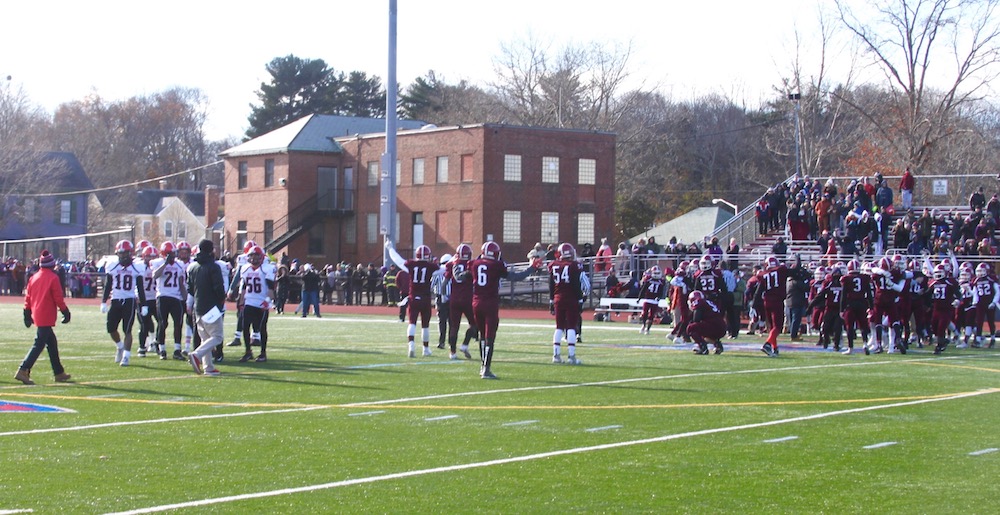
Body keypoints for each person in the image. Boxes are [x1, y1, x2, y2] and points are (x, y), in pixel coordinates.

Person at [466, 241, 540, 379]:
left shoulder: (474, 264)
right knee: (489, 337)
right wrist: (531, 268)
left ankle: (483, 366)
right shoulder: (496, 265)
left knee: (482, 336)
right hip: (490, 303)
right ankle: (486, 369)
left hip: (476, 303)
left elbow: (465, 275)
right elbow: (515, 277)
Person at [14, 250, 72, 385]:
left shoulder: (34, 277)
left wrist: (27, 314)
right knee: (39, 343)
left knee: (51, 343)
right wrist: (65, 311)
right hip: (46, 314)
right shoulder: (53, 277)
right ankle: (23, 369)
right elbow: (58, 297)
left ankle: (58, 372)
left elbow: (27, 298)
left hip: (37, 313)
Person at [101, 240, 148, 367]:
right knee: (111, 328)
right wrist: (104, 301)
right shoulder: (113, 265)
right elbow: (108, 284)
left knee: (127, 329)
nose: (122, 256)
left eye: (125, 253)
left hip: (129, 300)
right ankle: (120, 346)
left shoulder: (136, 267)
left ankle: (126, 356)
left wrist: (144, 304)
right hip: (116, 300)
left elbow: (140, 287)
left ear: (130, 253)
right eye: (120, 253)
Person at [387, 242, 437, 358]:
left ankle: (411, 346)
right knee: (425, 325)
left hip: (413, 297)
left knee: (412, 323)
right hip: (425, 298)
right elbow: (444, 269)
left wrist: (390, 248)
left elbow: (398, 260)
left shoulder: (411, 264)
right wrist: (456, 259)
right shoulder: (430, 267)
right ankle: (425, 349)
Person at [185, 239, 225, 376]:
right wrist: (221, 301)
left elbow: (190, 288)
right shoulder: (213, 267)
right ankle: (197, 355)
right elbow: (218, 288)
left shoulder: (192, 267)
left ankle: (208, 367)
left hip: (198, 306)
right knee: (217, 336)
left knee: (205, 337)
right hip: (211, 306)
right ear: (211, 250)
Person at [235, 246, 274, 363]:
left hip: (261, 303)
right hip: (249, 301)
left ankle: (263, 353)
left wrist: (267, 301)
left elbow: (272, 288)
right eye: (252, 256)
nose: (254, 258)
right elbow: (244, 287)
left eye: (256, 256)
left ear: (261, 257)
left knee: (261, 328)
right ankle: (248, 352)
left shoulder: (266, 269)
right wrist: (241, 301)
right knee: (245, 327)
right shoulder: (245, 269)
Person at [548, 243, 585, 364]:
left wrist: (551, 300)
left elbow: (551, 285)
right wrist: (580, 299)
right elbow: (576, 284)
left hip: (558, 298)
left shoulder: (553, 265)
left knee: (559, 327)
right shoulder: (574, 265)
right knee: (571, 327)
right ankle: (571, 356)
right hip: (571, 299)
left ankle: (556, 355)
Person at [151, 241, 187, 361]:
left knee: (178, 323)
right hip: (162, 296)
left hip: (176, 297)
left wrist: (185, 299)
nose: (173, 256)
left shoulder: (179, 265)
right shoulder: (158, 263)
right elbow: (155, 275)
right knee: (163, 323)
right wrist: (165, 264)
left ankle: (177, 349)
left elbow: (181, 284)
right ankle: (162, 349)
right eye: (170, 254)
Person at [444, 244, 478, 360]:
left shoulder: (451, 264)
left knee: (454, 327)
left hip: (454, 300)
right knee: (475, 324)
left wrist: (444, 297)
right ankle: (464, 345)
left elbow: (445, 283)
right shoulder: (472, 265)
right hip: (468, 299)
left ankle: (452, 353)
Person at [687, 290, 726, 355]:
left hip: (714, 326)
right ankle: (717, 345)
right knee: (701, 332)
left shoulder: (698, 302)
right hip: (722, 327)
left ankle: (703, 348)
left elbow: (696, 319)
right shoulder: (708, 302)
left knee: (691, 328)